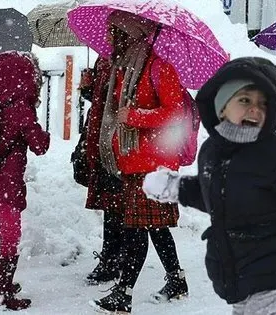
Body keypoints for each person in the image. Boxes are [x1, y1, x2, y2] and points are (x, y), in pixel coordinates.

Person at [143, 57, 276, 315]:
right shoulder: (213, 150)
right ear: (221, 105)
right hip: (238, 263)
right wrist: (176, 188)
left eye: (262, 103)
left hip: (275, 261)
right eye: (245, 100)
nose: (255, 109)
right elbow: (216, 195)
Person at [90, 11, 188, 314]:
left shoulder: (159, 68)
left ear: (128, 34)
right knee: (155, 228)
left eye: (113, 33)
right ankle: (177, 280)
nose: (108, 40)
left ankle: (124, 293)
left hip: (155, 166)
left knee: (136, 228)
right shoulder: (127, 68)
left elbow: (175, 114)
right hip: (135, 162)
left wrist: (134, 117)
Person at [0, 51, 50, 310]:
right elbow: (40, 146)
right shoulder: (20, 109)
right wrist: (42, 133)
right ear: (26, 77)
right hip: (5, 182)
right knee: (11, 234)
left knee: (5, 230)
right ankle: (2, 293)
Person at [76, 56, 126, 285]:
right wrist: (88, 86)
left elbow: (117, 98)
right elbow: (97, 98)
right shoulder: (104, 59)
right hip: (101, 136)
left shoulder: (125, 60)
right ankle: (114, 257)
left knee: (116, 202)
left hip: (115, 138)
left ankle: (113, 259)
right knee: (111, 203)